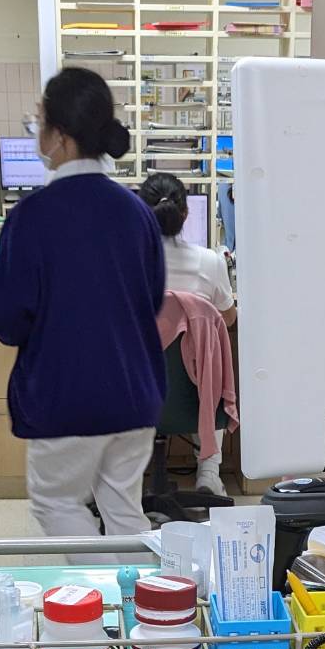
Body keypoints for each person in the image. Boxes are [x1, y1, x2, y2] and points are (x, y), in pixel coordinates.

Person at [0, 67, 166, 537]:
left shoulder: (33, 217)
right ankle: (140, 583)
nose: (36, 130)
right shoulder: (137, 212)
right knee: (123, 507)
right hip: (136, 395)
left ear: (60, 135)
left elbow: (6, 320)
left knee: (56, 504)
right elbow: (151, 300)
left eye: (39, 120)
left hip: (67, 396)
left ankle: (105, 581)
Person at [140, 172, 236, 495]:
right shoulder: (210, 262)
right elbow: (229, 319)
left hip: (137, 396)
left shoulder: (125, 263)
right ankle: (208, 473)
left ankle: (123, 480)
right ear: (185, 214)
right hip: (195, 398)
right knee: (208, 368)